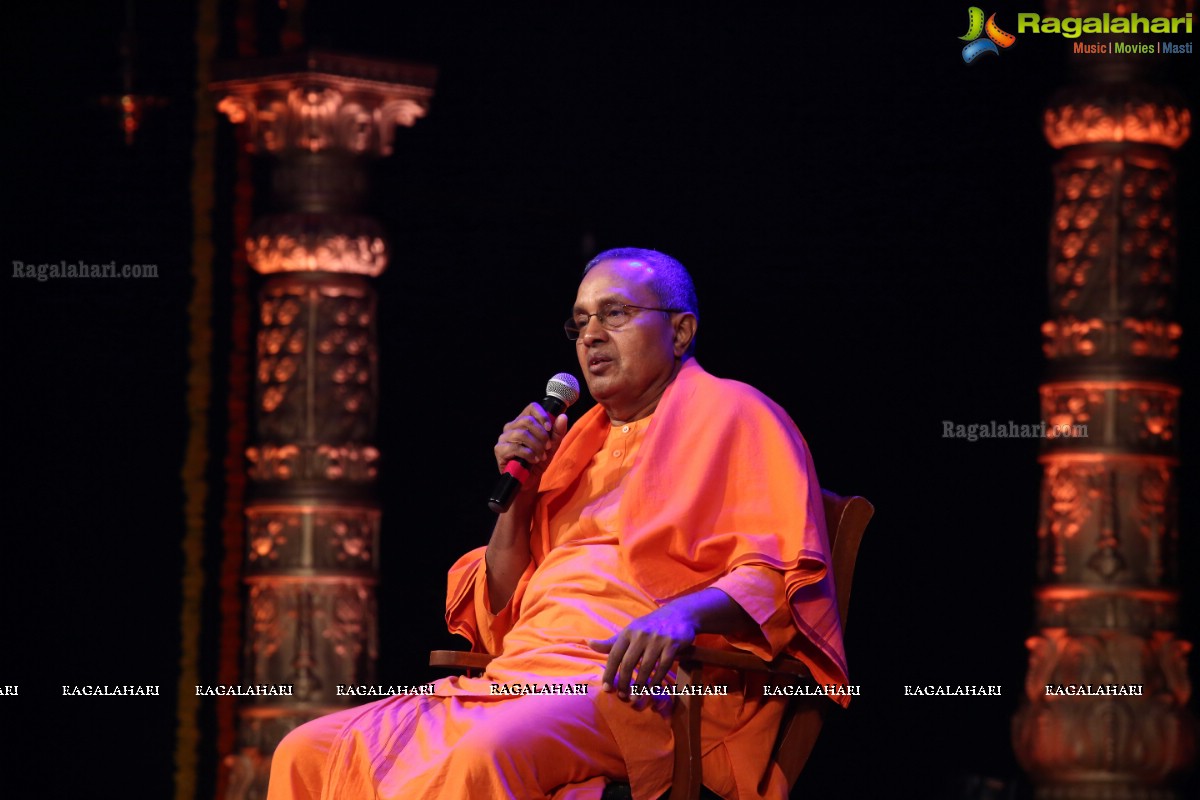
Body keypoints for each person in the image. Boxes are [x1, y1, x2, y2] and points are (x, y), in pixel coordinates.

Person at [267, 248, 847, 800]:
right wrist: (521, 493)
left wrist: (680, 615)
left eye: (615, 313)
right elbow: (502, 607)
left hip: (643, 684)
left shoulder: (738, 415)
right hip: (523, 674)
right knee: (306, 749)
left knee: (482, 756)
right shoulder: (571, 446)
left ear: (680, 331)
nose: (592, 334)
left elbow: (777, 573)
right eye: (581, 321)